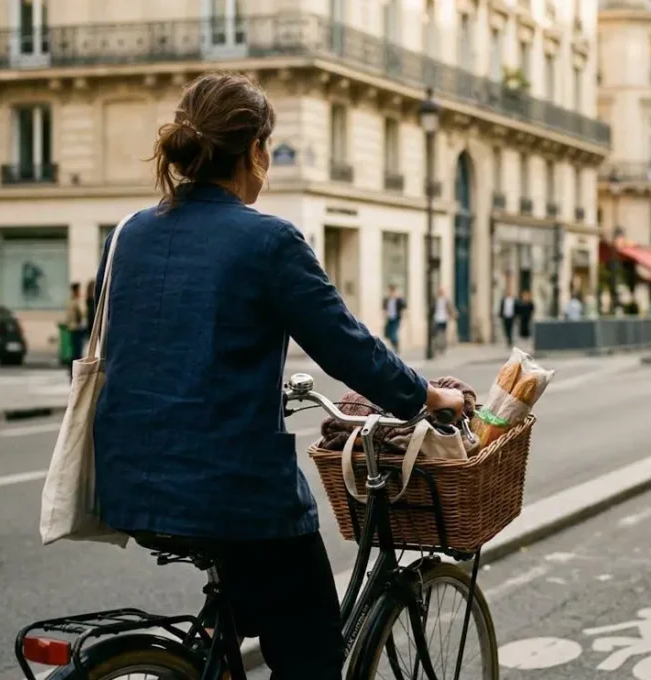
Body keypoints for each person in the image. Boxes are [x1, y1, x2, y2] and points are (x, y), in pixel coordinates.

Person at [92, 72, 464, 679]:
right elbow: (347, 348)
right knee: (311, 652)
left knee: (239, 615)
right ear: (256, 151)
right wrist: (424, 395)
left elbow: (127, 346)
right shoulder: (268, 241)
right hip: (232, 491)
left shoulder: (128, 235)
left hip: (130, 483)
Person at [65, 282, 89, 376]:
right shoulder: (75, 302)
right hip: (76, 329)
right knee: (77, 352)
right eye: (79, 290)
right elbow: (80, 315)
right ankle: (75, 371)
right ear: (76, 290)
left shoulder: (70, 301)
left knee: (74, 351)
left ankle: (72, 370)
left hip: (71, 328)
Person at [382, 284, 405, 352]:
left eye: (392, 291)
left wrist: (399, 297)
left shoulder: (398, 299)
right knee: (387, 334)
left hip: (396, 318)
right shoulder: (387, 299)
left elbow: (404, 305)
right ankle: (395, 347)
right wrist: (384, 313)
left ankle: (396, 348)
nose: (391, 292)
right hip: (389, 318)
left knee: (393, 334)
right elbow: (384, 307)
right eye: (390, 291)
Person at [432, 287, 454, 353]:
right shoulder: (436, 300)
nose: (441, 293)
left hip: (444, 318)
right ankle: (438, 346)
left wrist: (452, 314)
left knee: (443, 333)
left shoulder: (446, 300)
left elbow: (450, 308)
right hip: (437, 318)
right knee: (437, 333)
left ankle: (443, 347)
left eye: (441, 292)